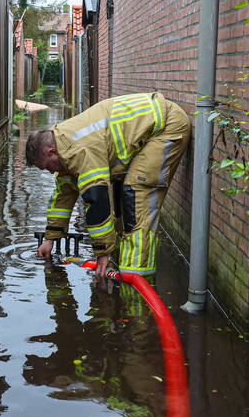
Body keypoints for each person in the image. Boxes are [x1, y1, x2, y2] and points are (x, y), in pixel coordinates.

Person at [25, 92, 191, 280]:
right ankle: (120, 258)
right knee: (120, 198)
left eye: (48, 167)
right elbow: (63, 195)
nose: (51, 172)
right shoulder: (63, 145)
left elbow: (96, 200)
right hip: (149, 130)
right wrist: (50, 239)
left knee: (136, 196)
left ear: (52, 152)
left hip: (165, 126)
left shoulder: (79, 150)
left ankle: (136, 279)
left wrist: (102, 253)